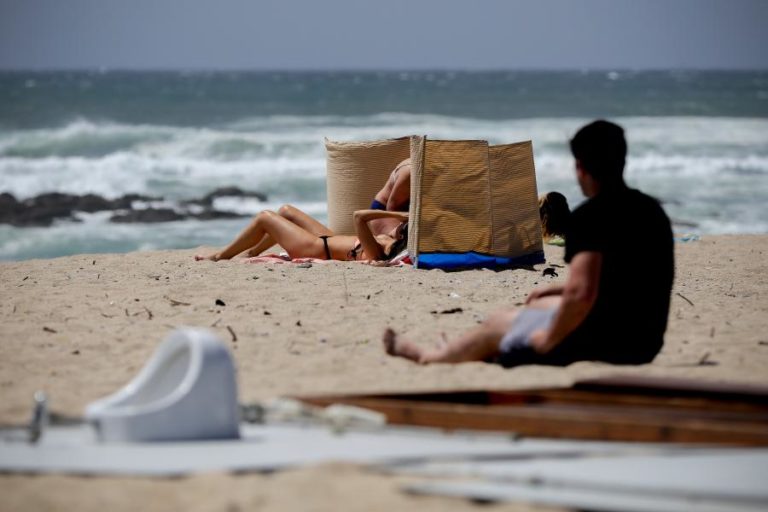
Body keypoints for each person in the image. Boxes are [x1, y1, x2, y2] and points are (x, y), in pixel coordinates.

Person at [384, 120, 674, 367]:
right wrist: (558, 289)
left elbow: (582, 294)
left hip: (605, 343)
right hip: (645, 341)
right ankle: (456, 350)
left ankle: (430, 357)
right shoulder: (652, 210)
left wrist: (548, 340)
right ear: (622, 161)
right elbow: (634, 279)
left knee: (499, 323)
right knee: (540, 303)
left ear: (581, 167)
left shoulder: (591, 217)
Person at [195, 204, 408, 262]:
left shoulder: (377, 252)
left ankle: (220, 256)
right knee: (285, 211)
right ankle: (252, 252)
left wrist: (402, 215)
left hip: (315, 249)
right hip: (327, 238)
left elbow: (359, 216)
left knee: (265, 216)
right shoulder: (387, 241)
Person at [368, 158, 411, 236]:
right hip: (385, 213)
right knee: (401, 243)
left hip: (405, 211)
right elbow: (392, 208)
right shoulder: (409, 173)